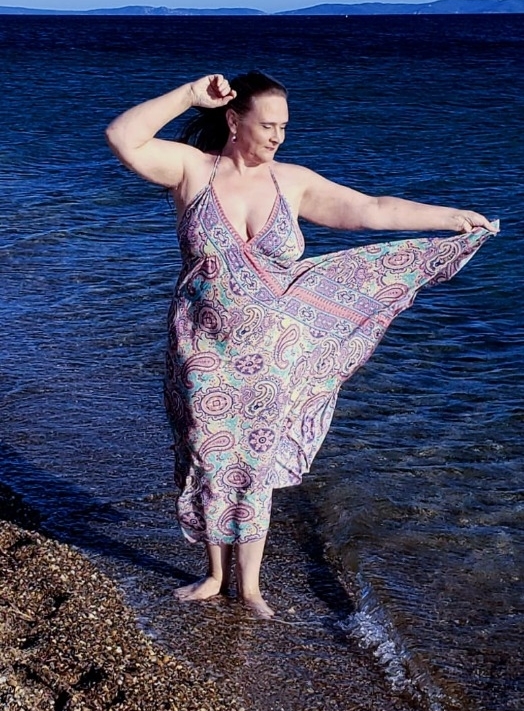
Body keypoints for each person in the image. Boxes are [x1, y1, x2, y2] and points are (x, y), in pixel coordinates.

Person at [106, 70, 497, 618]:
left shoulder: (292, 182)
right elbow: (123, 136)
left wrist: (449, 218)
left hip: (273, 352)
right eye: (268, 125)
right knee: (210, 453)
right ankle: (215, 575)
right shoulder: (192, 169)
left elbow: (373, 209)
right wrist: (190, 96)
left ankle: (250, 586)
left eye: (284, 127)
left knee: (255, 457)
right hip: (200, 346)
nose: (278, 136)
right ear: (233, 120)